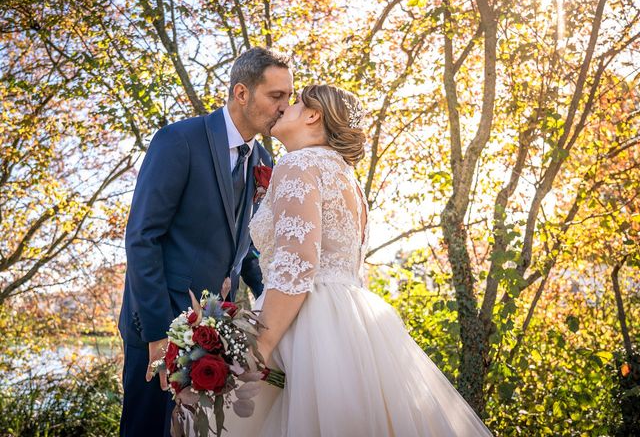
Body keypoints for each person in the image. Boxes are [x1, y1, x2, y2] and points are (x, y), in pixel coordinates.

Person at [223, 84, 493, 436]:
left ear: (312, 115)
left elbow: (297, 263)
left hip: (305, 323)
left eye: (294, 103)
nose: (282, 108)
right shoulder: (347, 178)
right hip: (352, 320)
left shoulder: (297, 164)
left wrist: (260, 347)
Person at [118, 47, 294, 437]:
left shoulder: (264, 159)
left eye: (289, 97)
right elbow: (142, 238)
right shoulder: (178, 140)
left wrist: (277, 300)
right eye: (276, 96)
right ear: (241, 93)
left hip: (214, 332)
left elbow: (249, 248)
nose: (285, 107)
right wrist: (157, 333)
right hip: (157, 326)